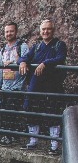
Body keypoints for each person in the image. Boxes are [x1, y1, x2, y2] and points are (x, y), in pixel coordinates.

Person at [19, 19, 67, 154]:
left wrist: (45, 63)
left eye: (48, 29)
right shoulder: (37, 46)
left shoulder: (59, 45)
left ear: (53, 30)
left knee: (52, 112)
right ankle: (33, 140)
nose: (46, 31)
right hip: (36, 86)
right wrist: (22, 62)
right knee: (30, 108)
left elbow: (60, 58)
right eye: (43, 29)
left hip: (52, 85)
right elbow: (25, 57)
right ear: (40, 31)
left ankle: (54, 145)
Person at [0, 22, 29, 146]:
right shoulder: (3, 49)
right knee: (5, 112)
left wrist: (14, 62)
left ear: (16, 32)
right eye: (7, 31)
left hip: (17, 86)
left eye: (11, 31)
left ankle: (8, 136)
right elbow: (0, 69)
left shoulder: (22, 46)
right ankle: (11, 136)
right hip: (5, 86)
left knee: (11, 111)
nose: (9, 34)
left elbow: (27, 59)